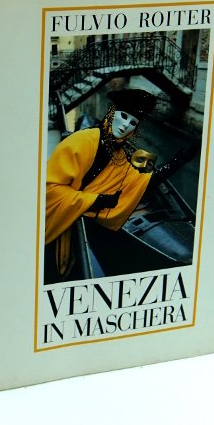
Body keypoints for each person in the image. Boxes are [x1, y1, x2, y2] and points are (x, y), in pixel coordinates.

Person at [44, 88, 157, 282]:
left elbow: (130, 181)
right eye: (123, 116)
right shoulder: (81, 141)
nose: (125, 126)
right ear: (112, 112)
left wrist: (172, 165)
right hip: (50, 223)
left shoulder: (118, 153)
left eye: (133, 123)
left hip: (70, 219)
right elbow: (48, 190)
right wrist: (94, 200)